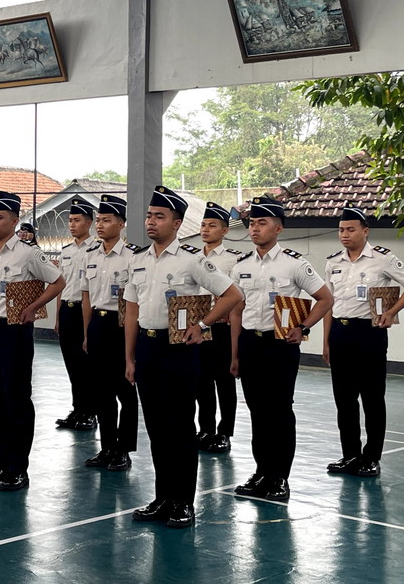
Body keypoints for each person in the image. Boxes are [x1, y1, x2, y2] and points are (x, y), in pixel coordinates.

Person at [124, 187, 242, 529]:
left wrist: (202, 325)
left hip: (178, 350)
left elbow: (232, 294)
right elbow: (131, 311)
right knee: (156, 428)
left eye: (159, 216)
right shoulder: (138, 260)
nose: (151, 221)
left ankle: (183, 502)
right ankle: (162, 498)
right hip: (147, 348)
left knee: (179, 428)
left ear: (176, 224)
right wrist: (129, 357)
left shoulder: (192, 259)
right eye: (149, 215)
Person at [230, 196, 333, 501]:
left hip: (279, 347)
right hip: (250, 344)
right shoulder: (242, 266)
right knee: (257, 411)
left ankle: (279, 478)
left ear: (278, 228)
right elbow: (236, 311)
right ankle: (261, 472)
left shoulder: (294, 264)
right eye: (251, 223)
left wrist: (304, 327)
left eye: (261, 223)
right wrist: (234, 353)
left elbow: (325, 299)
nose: (254, 229)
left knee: (279, 411)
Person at [0, 191, 64, 491]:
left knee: (16, 400)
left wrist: (34, 307)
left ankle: (18, 468)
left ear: (14, 221)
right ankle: (2, 462)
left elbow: (58, 281)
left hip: (15, 333)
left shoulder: (28, 254)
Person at [322, 203, 404, 478]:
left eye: (350, 229)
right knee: (344, 399)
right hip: (340, 333)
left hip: (369, 333)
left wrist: (391, 312)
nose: (344, 235)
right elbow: (329, 304)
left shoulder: (382, 258)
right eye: (341, 230)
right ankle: (350, 455)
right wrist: (326, 341)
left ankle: (371, 457)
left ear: (365, 231)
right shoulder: (333, 262)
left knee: (372, 398)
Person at [81, 195, 139, 471]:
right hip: (98, 325)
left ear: (121, 224)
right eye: (98, 220)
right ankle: (106, 447)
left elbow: (136, 302)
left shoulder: (133, 257)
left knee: (125, 391)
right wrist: (86, 333)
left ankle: (123, 450)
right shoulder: (90, 256)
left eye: (106, 220)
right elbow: (86, 297)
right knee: (101, 391)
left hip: (122, 325)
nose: (100, 225)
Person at [195, 201, 245, 453]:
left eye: (212, 225)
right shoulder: (192, 258)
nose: (205, 230)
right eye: (203, 225)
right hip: (196, 327)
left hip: (222, 327)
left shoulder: (233, 260)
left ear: (225, 230)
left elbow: (238, 299)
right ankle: (205, 429)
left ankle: (224, 432)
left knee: (224, 382)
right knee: (201, 381)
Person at [55, 196, 98, 431]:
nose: (72, 225)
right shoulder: (66, 251)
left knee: (86, 365)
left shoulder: (96, 249)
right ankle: (77, 409)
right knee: (71, 363)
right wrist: (58, 317)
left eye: (77, 220)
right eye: (70, 220)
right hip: (67, 310)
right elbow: (61, 285)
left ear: (89, 223)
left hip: (86, 311)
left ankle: (90, 412)